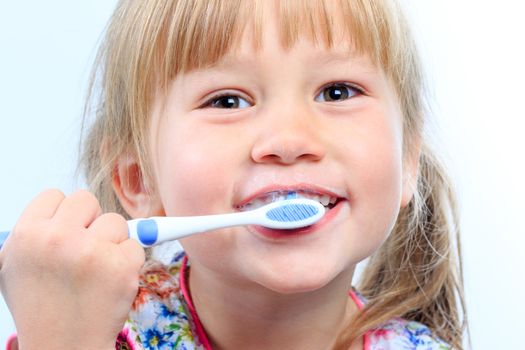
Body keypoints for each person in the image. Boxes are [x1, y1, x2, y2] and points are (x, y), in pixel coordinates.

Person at [0, 0, 467, 349]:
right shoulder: (85, 328)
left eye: (337, 92)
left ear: (408, 158)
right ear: (140, 179)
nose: (288, 140)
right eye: (227, 101)